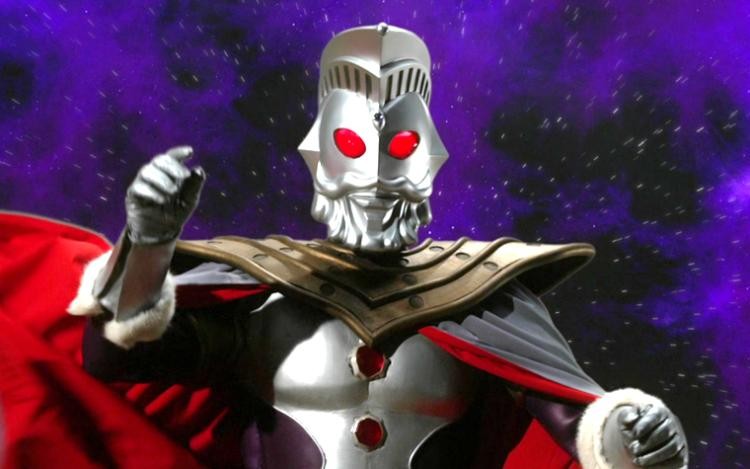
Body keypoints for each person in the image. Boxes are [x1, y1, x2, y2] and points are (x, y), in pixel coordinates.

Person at [67, 24, 688, 468]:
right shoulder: (264, 291)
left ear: (430, 154)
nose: (375, 176)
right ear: (319, 154)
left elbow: (581, 425)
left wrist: (636, 434)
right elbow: (116, 357)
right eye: (353, 147)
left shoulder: (484, 293)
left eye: (400, 148)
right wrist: (149, 243)